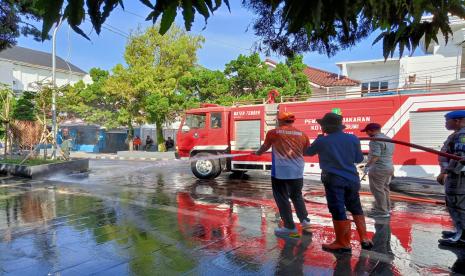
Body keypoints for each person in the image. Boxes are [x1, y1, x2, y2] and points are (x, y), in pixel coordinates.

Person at [305, 112, 372, 252]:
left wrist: (317, 140)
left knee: (338, 209)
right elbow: (359, 159)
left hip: (334, 179)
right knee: (355, 207)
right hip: (352, 179)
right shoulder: (353, 138)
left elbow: (308, 153)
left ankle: (343, 242)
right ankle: (365, 238)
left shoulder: (322, 140)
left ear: (326, 127)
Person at [255, 111, 312, 236]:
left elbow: (265, 147)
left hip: (280, 171)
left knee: (282, 198)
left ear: (279, 121)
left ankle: (290, 227)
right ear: (292, 121)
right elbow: (307, 152)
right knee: (296, 196)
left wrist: (257, 153)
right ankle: (305, 221)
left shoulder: (274, 133)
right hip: (297, 170)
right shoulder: (302, 134)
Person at [437, 110, 465, 247]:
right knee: (455, 204)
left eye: (447, 121)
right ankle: (459, 231)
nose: (445, 123)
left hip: (458, 176)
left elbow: (459, 157)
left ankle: (462, 237)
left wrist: (445, 172)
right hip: (455, 175)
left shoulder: (462, 135)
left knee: (458, 205)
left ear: (457, 120)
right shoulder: (457, 134)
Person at [361, 123, 395, 218]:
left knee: (377, 190)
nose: (366, 134)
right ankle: (387, 208)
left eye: (367, 131)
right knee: (384, 188)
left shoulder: (375, 140)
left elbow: (376, 156)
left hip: (379, 168)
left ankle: (381, 211)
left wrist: (367, 166)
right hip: (389, 167)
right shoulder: (389, 138)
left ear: (371, 130)